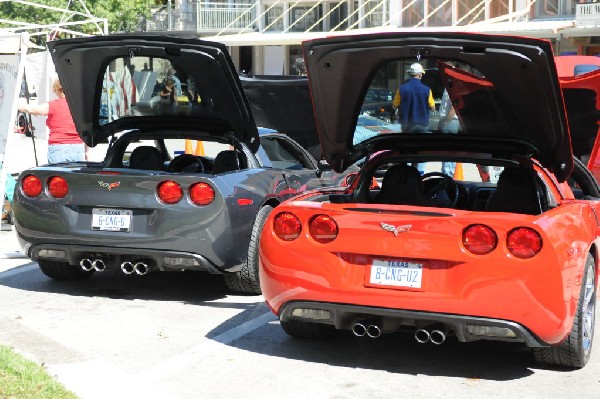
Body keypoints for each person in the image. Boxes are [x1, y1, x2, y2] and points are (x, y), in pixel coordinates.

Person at [17, 78, 85, 164]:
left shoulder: (53, 105)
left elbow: (31, 109)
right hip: (77, 148)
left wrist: (18, 103)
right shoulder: (80, 107)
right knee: (75, 177)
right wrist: (87, 152)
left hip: (58, 148)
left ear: (58, 89)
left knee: (57, 175)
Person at [393, 62, 435, 174]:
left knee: (406, 148)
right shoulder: (427, 90)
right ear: (420, 75)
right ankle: (416, 172)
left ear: (410, 74)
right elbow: (432, 106)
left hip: (407, 124)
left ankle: (405, 172)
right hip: (422, 124)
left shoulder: (401, 89)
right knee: (419, 149)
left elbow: (395, 105)